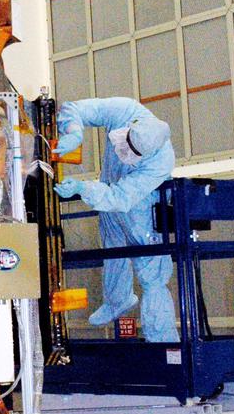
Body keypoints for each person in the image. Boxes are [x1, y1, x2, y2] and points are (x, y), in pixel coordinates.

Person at [53, 97, 178, 342]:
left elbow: (121, 197)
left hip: (139, 208)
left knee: (151, 275)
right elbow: (74, 108)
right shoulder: (125, 110)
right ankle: (118, 300)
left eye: (134, 152)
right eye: (127, 142)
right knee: (113, 249)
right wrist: (74, 131)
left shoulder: (162, 161)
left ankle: (162, 342)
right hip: (109, 195)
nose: (124, 151)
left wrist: (82, 188)